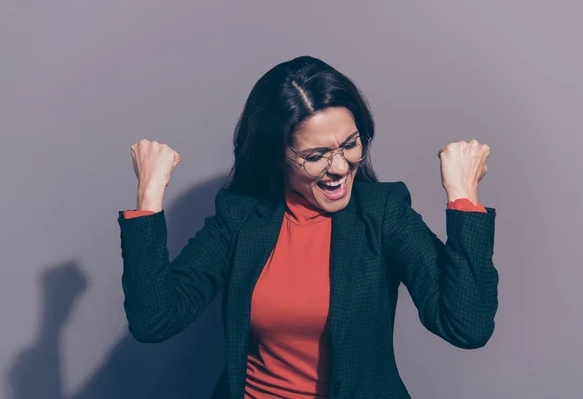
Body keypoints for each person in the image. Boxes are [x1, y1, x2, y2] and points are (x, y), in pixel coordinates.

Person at [117, 56, 498, 399]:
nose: (339, 167)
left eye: (350, 144)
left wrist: (462, 194)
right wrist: (149, 198)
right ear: (276, 158)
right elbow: (155, 320)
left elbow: (465, 326)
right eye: (315, 156)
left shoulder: (383, 213)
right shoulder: (241, 217)